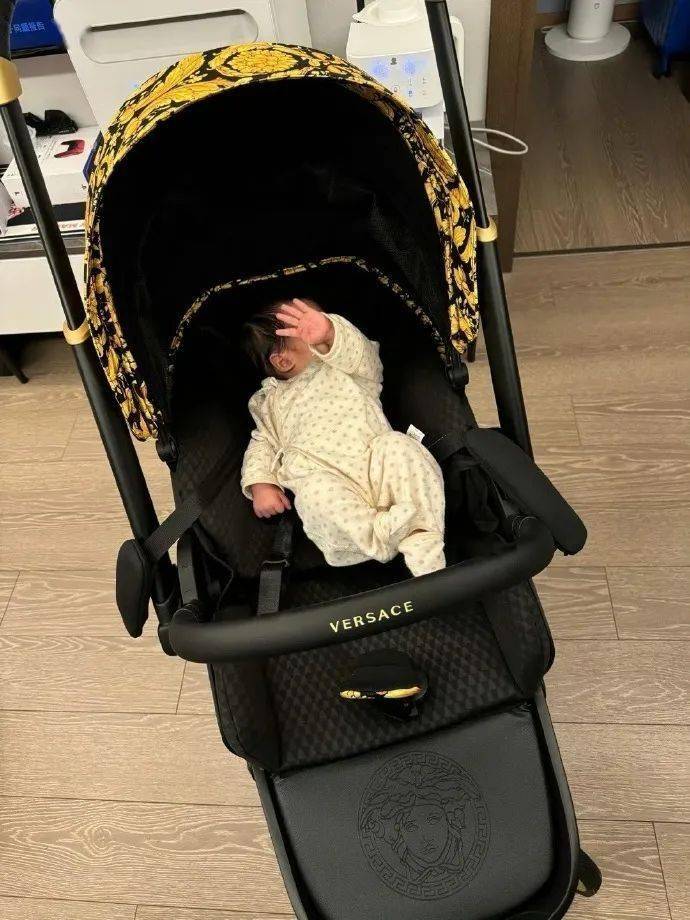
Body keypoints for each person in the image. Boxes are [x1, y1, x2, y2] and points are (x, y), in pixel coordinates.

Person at [240, 296, 445, 577]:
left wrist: (330, 332)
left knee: (401, 447)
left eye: (321, 319)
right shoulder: (269, 402)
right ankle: (377, 536)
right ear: (283, 361)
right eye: (306, 327)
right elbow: (262, 442)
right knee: (313, 497)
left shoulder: (347, 368)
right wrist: (261, 484)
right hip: (323, 475)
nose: (318, 324)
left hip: (374, 459)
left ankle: (423, 539)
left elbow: (362, 354)